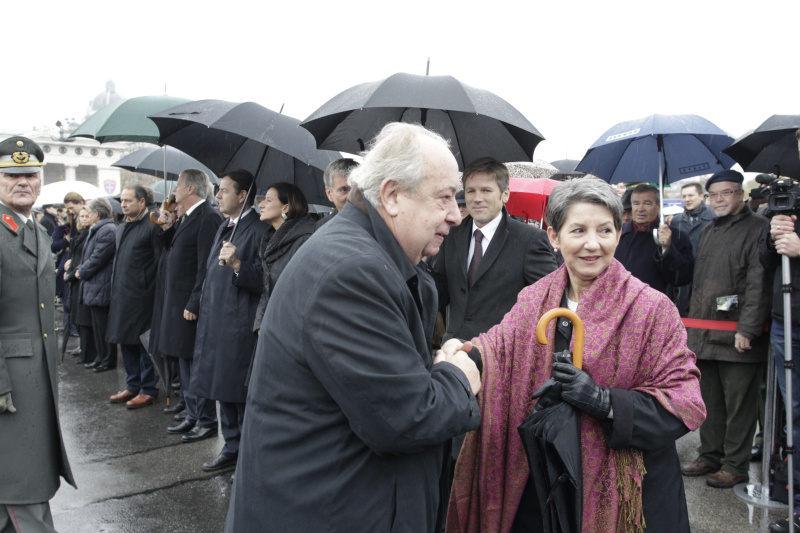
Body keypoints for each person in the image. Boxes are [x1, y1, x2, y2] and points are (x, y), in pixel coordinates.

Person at [225, 123, 481, 533]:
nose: (455, 213)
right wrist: (456, 376)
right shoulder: (352, 271)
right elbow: (406, 418)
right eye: (445, 197)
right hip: (330, 512)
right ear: (392, 195)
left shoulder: (369, 254)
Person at [444, 177, 705, 533]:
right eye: (578, 230)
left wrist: (604, 401)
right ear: (554, 236)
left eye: (605, 230)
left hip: (629, 495)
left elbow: (684, 403)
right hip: (544, 486)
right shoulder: (534, 299)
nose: (592, 244)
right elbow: (496, 349)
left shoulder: (653, 310)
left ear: (618, 232)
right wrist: (461, 357)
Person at [0, 135, 75, 531]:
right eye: (12, 176)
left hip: (34, 379)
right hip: (11, 384)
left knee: (19, 481)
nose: (22, 182)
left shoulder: (35, 230)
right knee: (20, 487)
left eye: (29, 174)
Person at [681, 169, 772, 489]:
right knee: (711, 401)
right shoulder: (709, 230)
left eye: (727, 193)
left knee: (740, 404)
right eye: (714, 194)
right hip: (705, 334)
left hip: (738, 335)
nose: (719, 200)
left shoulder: (758, 228)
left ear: (740, 195)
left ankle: (735, 464)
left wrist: (747, 329)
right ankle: (710, 455)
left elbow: (758, 282)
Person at [432, 156, 557, 343]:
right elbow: (438, 290)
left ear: (505, 194)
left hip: (503, 355)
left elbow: (549, 299)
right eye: (471, 191)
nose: (477, 198)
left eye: (486, 190)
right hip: (455, 350)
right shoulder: (451, 234)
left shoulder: (530, 240)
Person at [191, 170, 268, 470]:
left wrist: (238, 264)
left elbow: (264, 279)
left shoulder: (259, 229)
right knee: (222, 385)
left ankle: (246, 456)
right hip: (217, 318)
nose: (218, 196)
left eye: (224, 190)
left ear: (242, 195)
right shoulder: (226, 226)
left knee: (238, 390)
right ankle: (231, 447)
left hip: (239, 321)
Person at [154, 170, 223, 436]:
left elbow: (205, 265)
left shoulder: (208, 217)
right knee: (184, 360)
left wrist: (195, 302)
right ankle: (193, 414)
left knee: (195, 362)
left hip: (190, 304)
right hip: (177, 302)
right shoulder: (188, 216)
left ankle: (205, 420)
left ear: (191, 188)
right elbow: (176, 251)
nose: (175, 191)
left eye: (179, 185)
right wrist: (167, 228)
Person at [762, 130, 800, 533]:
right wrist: (774, 236)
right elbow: (764, 260)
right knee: (794, 415)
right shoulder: (789, 201)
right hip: (785, 320)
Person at [106, 185, 164, 409]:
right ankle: (133, 384)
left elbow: (160, 263)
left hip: (143, 295)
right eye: (122, 200)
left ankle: (148, 388)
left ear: (142, 202)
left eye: (129, 200)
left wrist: (152, 290)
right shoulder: (123, 226)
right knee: (126, 339)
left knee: (142, 344)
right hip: (123, 293)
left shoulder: (152, 225)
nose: (123, 204)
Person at [253, 182, 317, 332]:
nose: (261, 204)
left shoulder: (304, 241)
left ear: (286, 207)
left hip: (288, 329)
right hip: (269, 327)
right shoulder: (269, 240)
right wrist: (260, 325)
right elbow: (267, 288)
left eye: (268, 200)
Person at [614, 183, 694, 299]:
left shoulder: (677, 236)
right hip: (619, 305)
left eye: (647, 203)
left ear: (658, 206)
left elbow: (682, 278)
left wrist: (667, 249)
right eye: (636, 204)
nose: (640, 209)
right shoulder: (617, 234)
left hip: (655, 308)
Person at [76, 198, 117, 373]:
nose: (89, 215)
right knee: (97, 327)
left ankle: (107, 359)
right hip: (95, 285)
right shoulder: (100, 229)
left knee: (103, 327)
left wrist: (81, 271)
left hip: (101, 285)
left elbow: (97, 258)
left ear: (97, 213)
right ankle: (101, 357)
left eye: (91, 212)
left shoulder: (107, 230)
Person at [672, 181, 714, 315]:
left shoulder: (714, 218)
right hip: (684, 278)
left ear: (702, 196)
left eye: (690, 195)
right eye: (684, 196)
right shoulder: (677, 220)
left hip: (707, 275)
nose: (687, 199)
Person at [64, 206, 95, 363]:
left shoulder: (91, 233)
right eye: (81, 216)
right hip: (75, 278)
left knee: (84, 318)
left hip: (82, 277)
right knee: (77, 316)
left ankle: (88, 352)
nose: (83, 219)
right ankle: (84, 349)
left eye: (86, 215)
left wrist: (75, 271)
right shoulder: (81, 233)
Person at [316, 157, 358, 228]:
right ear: (329, 194)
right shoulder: (322, 229)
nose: (351, 196)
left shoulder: (379, 223)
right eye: (344, 190)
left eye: (357, 188)